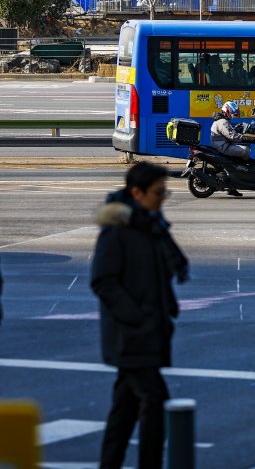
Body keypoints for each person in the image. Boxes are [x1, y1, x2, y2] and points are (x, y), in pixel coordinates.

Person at [91, 162, 189, 469]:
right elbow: (102, 280)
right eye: (159, 191)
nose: (163, 197)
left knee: (125, 408)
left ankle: (110, 464)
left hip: (150, 329)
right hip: (131, 335)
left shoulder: (150, 224)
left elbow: (165, 266)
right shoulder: (118, 231)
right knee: (155, 402)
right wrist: (135, 317)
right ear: (137, 192)